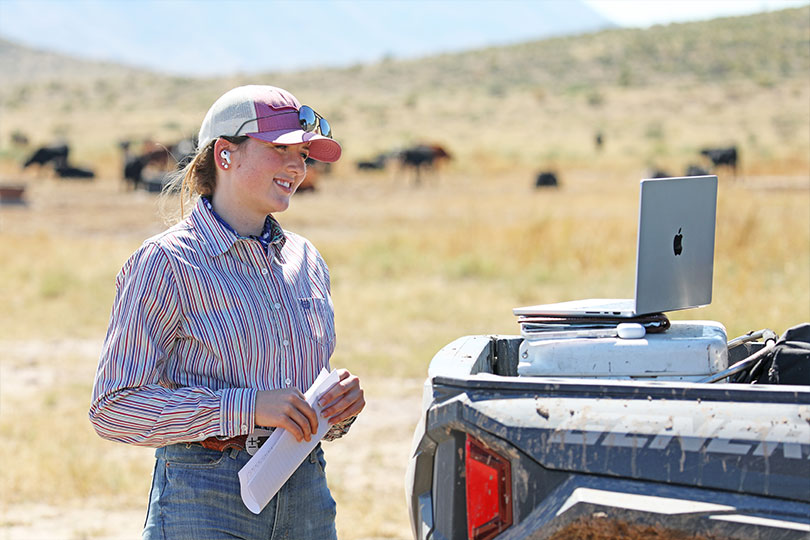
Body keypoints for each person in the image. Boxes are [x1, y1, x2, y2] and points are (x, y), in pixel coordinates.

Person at [89, 85, 365, 539]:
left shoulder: (306, 258)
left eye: (303, 154)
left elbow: (303, 388)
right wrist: (248, 407)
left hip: (305, 489)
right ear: (225, 155)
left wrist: (336, 410)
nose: (298, 167)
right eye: (280, 150)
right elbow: (114, 407)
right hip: (205, 495)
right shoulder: (168, 262)